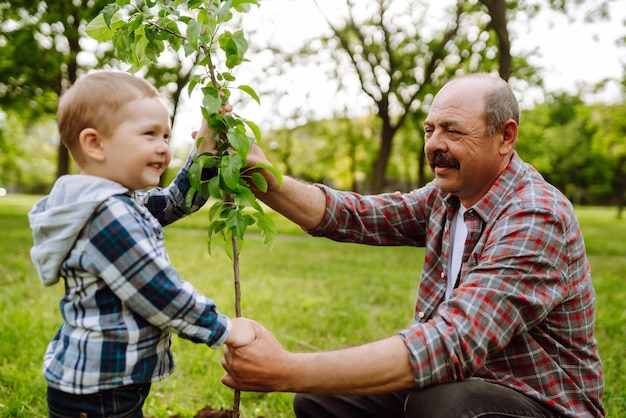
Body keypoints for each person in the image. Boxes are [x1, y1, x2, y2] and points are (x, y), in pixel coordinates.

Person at [220, 73, 605, 417]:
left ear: (505, 137)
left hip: (537, 401)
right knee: (320, 400)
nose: (435, 144)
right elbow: (354, 215)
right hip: (459, 380)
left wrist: (285, 369)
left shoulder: (536, 215)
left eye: (453, 132)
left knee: (441, 405)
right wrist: (261, 175)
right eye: (429, 130)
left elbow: (453, 340)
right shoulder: (446, 198)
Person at [28, 71, 255, 418]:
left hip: (104, 381)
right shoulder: (106, 215)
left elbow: (176, 202)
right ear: (95, 144)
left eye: (165, 134)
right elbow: (160, 292)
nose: (164, 146)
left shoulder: (115, 202)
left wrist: (203, 152)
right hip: (100, 392)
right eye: (149, 134)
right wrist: (223, 328)